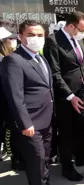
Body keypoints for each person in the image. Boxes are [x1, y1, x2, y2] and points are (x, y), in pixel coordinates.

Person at [1, 20, 54, 185]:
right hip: (31, 125)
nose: (36, 38)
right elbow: (15, 95)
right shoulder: (13, 60)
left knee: (45, 160)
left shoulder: (41, 58)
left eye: (39, 35)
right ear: (20, 37)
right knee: (36, 164)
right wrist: (25, 124)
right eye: (31, 35)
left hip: (47, 120)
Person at [43, 11, 84, 181]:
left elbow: (83, 63)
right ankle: (67, 166)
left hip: (82, 92)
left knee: (80, 128)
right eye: (81, 29)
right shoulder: (53, 41)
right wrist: (70, 96)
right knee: (66, 132)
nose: (83, 33)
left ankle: (80, 156)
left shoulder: (77, 39)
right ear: (71, 26)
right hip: (65, 97)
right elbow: (55, 73)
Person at [0, 27, 24, 168]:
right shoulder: (3, 60)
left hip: (11, 100)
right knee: (11, 132)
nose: (13, 41)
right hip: (5, 102)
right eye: (10, 39)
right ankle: (16, 159)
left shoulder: (9, 57)